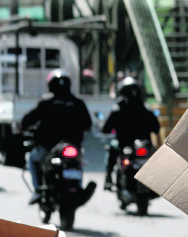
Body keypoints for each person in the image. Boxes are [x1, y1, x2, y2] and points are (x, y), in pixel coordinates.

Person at [21, 69, 93, 205]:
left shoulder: (45, 102)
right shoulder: (78, 103)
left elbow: (28, 119)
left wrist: (24, 127)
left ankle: (37, 190)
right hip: (72, 146)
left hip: (48, 148)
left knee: (32, 159)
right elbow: (88, 124)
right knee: (77, 163)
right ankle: (78, 187)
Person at [101, 76, 162, 190]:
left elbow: (106, 128)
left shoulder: (118, 109)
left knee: (111, 149)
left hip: (126, 145)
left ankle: (108, 178)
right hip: (141, 145)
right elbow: (156, 128)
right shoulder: (145, 108)